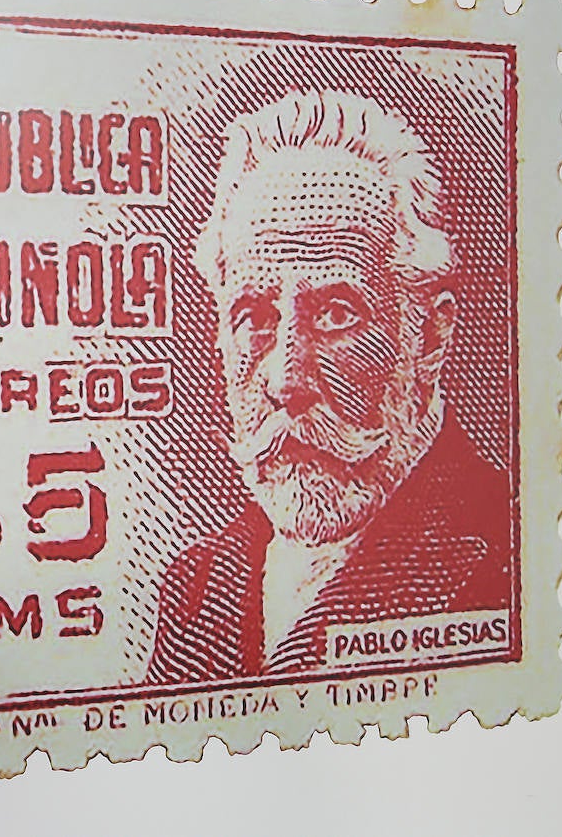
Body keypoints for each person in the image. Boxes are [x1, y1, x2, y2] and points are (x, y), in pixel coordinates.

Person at [147, 90, 511, 684]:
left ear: (430, 338)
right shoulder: (195, 589)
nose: (286, 382)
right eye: (254, 319)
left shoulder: (501, 558)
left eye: (335, 314)